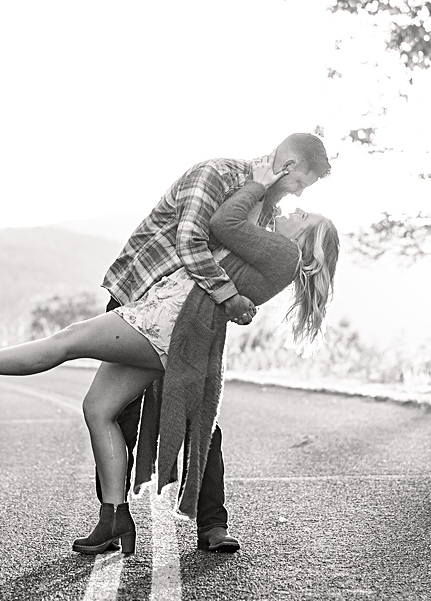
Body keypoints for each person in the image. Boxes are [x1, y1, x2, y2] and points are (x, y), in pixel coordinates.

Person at [0, 156, 339, 557]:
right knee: (98, 409)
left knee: (69, 341)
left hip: (170, 323)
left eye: (301, 216)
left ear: (306, 241)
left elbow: (223, 224)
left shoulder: (284, 251)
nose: (293, 209)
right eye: (299, 196)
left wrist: (260, 186)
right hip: (165, 315)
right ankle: (114, 517)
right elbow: (225, 231)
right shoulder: (268, 234)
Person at [100, 132, 332, 554]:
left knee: (200, 413)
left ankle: (212, 524)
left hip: (191, 317)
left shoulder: (266, 213)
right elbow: (193, 243)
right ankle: (114, 519)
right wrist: (230, 295)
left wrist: (242, 301)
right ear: (288, 166)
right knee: (119, 412)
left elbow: (244, 267)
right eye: (301, 183)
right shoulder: (218, 174)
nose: (298, 194)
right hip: (140, 299)